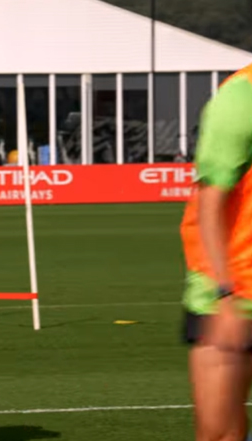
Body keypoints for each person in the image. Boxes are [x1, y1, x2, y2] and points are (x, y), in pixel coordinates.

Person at [180, 63, 252, 441]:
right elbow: (209, 204)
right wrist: (225, 295)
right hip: (232, 296)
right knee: (220, 432)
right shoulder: (240, 98)